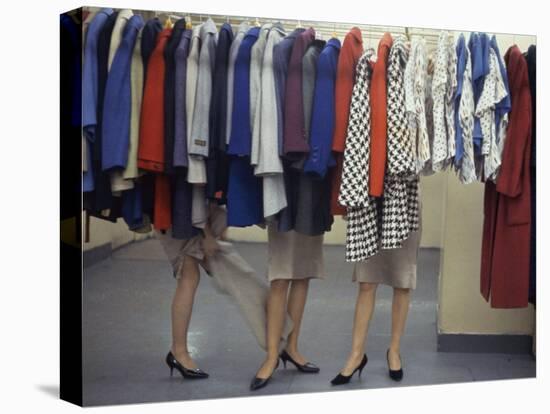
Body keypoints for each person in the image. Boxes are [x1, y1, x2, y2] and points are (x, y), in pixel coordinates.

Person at [330, 222, 422, 385]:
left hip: (405, 204)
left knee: (402, 281)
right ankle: (356, 354)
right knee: (366, 280)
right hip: (370, 203)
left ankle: (394, 351)